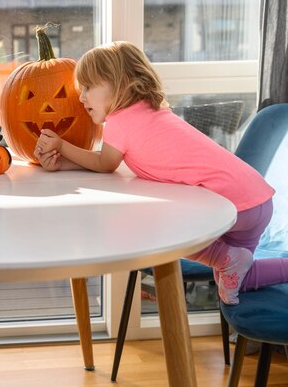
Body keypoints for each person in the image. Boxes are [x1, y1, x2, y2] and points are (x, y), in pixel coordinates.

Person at [34, 41, 286, 305]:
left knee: (155, 230)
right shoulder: (151, 111)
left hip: (230, 205)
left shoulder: (120, 121)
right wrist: (62, 163)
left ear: (120, 83)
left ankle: (222, 257)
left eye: (87, 87)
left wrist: (62, 147)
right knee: (239, 275)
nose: (81, 96)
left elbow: (105, 164)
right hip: (256, 199)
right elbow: (109, 161)